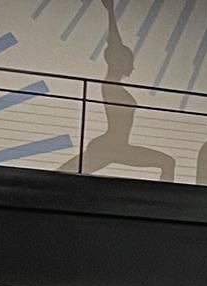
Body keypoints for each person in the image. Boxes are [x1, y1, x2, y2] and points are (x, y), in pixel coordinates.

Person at [77, 0, 176, 183]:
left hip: (118, 147)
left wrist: (111, 12)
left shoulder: (115, 86)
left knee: (168, 162)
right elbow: (115, 44)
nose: (130, 65)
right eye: (126, 60)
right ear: (116, 61)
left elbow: (116, 47)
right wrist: (111, 12)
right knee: (168, 162)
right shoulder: (110, 84)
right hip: (111, 147)